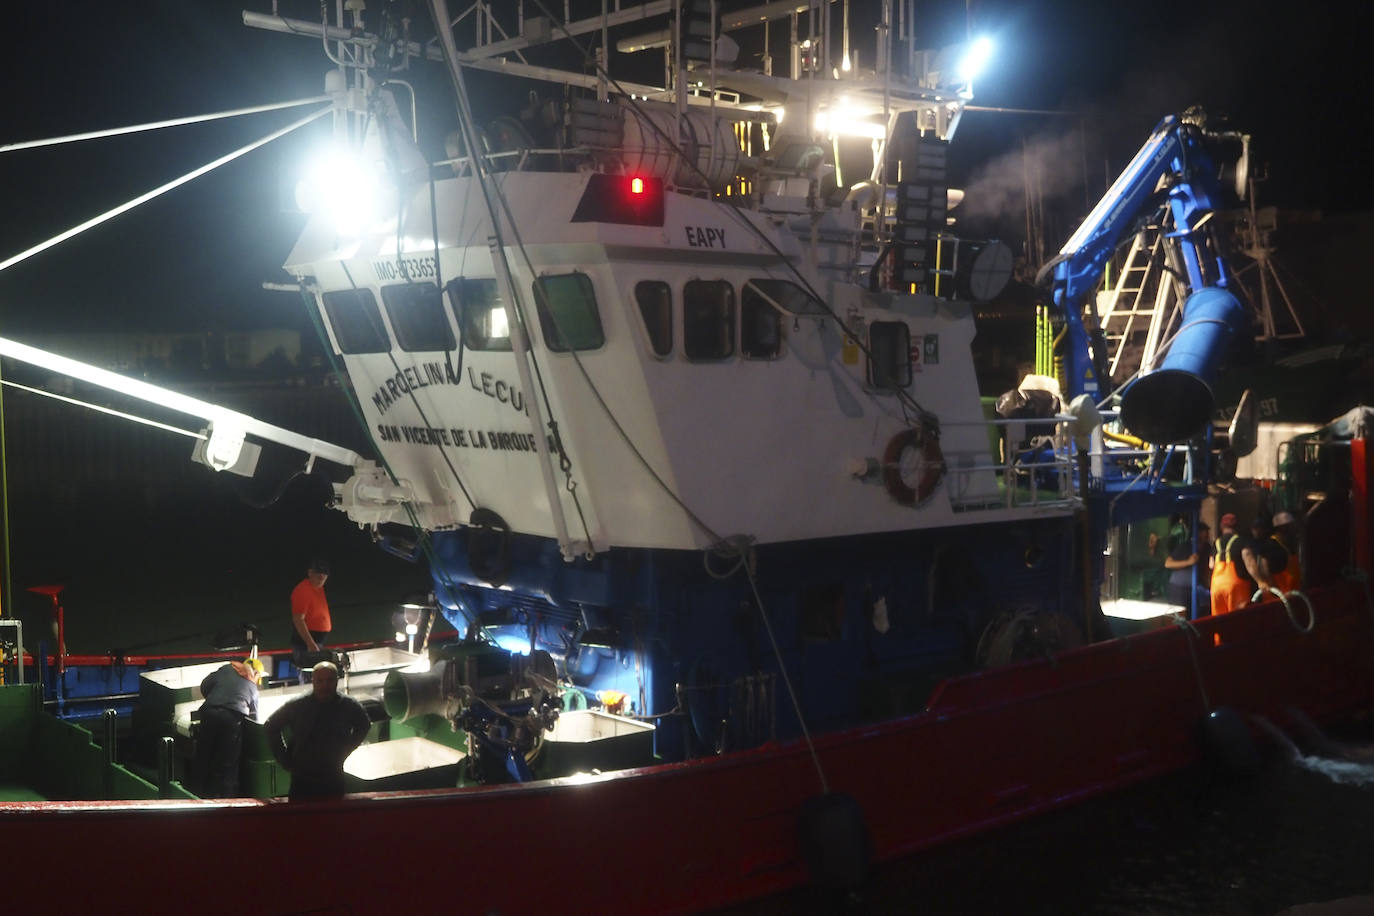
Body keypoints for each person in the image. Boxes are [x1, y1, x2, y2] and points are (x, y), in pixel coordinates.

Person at [264, 660, 371, 801]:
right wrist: (284, 760)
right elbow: (271, 726)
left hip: (332, 777)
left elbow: (364, 725)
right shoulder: (297, 705)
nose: (325, 685)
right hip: (303, 778)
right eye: (320, 680)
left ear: (336, 681)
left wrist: (346, 749)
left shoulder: (349, 706)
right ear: (313, 681)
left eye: (329, 680)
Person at [193, 656, 264, 797]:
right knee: (228, 764)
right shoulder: (252, 687)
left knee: (203, 757)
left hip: (209, 712)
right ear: (256, 674)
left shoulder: (227, 669)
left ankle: (195, 795)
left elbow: (205, 684)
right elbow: (254, 718)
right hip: (231, 719)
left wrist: (215, 697)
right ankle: (227, 800)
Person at [1211, 513, 1266, 615]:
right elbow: (1249, 561)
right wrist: (1260, 581)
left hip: (1216, 587)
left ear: (1221, 527)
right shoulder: (1241, 541)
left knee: (1218, 620)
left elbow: (1211, 565)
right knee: (1236, 619)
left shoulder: (1216, 543)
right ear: (1237, 527)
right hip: (1235, 587)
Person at [290, 559, 332, 675]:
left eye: (324, 574)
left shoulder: (318, 588)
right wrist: (310, 644)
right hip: (307, 643)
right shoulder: (303, 590)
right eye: (318, 573)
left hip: (316, 641)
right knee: (311, 674)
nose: (321, 577)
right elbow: (298, 619)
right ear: (310, 573)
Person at [1165, 521, 1211, 613]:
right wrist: (1188, 562)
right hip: (1179, 589)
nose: (1206, 535)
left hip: (1196, 588)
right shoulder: (1185, 546)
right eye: (1203, 532)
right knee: (1181, 615)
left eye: (1206, 533)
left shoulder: (1207, 547)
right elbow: (1168, 563)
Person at [1270, 511, 1302, 591]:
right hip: (1281, 595)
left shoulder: (1291, 542)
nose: (1294, 528)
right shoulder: (1272, 545)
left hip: (1295, 592)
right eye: (1291, 526)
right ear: (1282, 528)